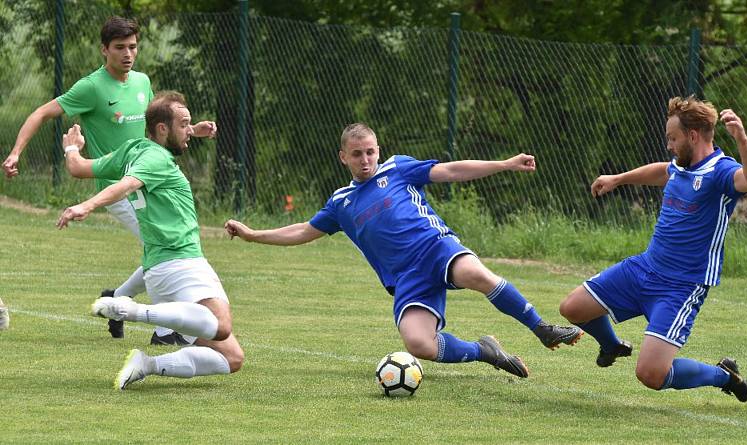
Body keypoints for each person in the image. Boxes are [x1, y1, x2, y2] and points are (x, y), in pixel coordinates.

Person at [224, 123, 583, 378]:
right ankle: (484, 351)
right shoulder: (341, 202)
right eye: (357, 154)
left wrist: (503, 164)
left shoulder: (398, 168)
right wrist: (254, 235)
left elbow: (452, 170)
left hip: (435, 247)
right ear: (343, 158)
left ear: (378, 150)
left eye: (370, 152)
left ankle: (542, 328)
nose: (365, 160)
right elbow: (303, 230)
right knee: (419, 345)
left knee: (475, 274)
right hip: (406, 278)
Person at [2, 16, 217, 344]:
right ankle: (162, 332)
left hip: (149, 182)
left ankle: (118, 299)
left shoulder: (142, 82)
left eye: (133, 47)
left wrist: (190, 130)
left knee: (163, 251)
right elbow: (41, 113)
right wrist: (17, 152)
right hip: (118, 189)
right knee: (163, 251)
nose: (128, 54)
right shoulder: (91, 87)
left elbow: (156, 128)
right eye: (120, 48)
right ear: (104, 50)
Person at [559, 96, 747, 402]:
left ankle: (723, 375)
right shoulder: (682, 165)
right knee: (572, 308)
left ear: (692, 136)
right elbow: (662, 171)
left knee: (651, 375)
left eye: (672, 138)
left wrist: (743, 139)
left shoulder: (721, 172)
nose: (669, 145)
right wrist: (619, 179)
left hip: (680, 286)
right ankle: (612, 344)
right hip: (644, 268)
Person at [56, 91, 242, 389]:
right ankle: (130, 309)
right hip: (182, 263)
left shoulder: (133, 150)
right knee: (221, 325)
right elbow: (128, 185)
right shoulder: (156, 159)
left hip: (158, 272)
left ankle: (147, 364)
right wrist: (86, 206)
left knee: (231, 357)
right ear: (162, 129)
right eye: (184, 124)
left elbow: (79, 167)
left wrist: (71, 149)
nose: (189, 131)